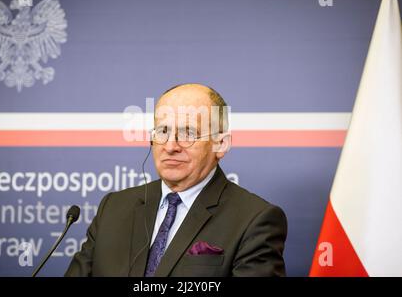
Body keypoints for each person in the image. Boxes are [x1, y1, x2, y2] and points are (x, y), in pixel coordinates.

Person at [65, 83, 287, 277]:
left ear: (221, 144)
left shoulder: (255, 220)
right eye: (163, 131)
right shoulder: (113, 207)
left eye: (188, 133)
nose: (170, 146)